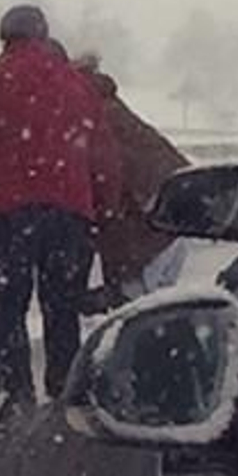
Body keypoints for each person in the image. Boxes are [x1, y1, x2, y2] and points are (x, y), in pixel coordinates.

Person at [0, 4, 119, 411]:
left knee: (10, 304)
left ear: (4, 37)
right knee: (62, 306)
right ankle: (63, 392)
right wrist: (102, 206)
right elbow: (104, 154)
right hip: (69, 211)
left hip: (8, 210)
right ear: (43, 35)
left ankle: (18, 392)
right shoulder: (77, 84)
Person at [76, 57, 190, 302]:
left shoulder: (91, 116)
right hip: (169, 232)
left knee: (134, 319)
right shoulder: (113, 109)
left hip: (144, 244)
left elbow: (106, 185)